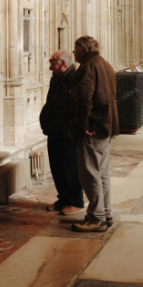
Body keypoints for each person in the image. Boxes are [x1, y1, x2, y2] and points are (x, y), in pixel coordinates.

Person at [69, 36, 118, 233]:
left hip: (94, 128)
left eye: (75, 49)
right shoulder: (104, 64)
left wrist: (83, 125)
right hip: (106, 125)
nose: (73, 52)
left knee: (90, 174)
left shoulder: (89, 66)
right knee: (101, 173)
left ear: (83, 49)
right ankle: (105, 214)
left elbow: (84, 99)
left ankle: (95, 218)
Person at [39, 50, 84, 215]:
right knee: (57, 167)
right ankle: (64, 199)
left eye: (52, 59)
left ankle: (76, 202)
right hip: (54, 129)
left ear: (62, 63)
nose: (49, 62)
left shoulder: (74, 78)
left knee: (70, 167)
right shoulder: (57, 77)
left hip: (67, 131)